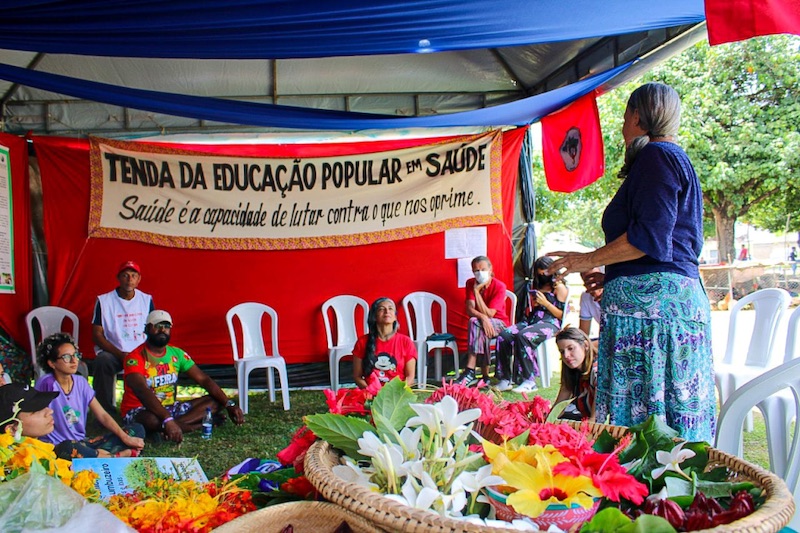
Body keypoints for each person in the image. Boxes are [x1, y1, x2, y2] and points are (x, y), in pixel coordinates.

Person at [546, 82, 716, 442]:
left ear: (637, 117)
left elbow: (648, 238)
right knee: (659, 420)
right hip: (658, 306)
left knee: (648, 424)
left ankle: (654, 493)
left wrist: (585, 259)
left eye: (625, 116)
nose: (623, 124)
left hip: (654, 316)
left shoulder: (658, 157)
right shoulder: (669, 159)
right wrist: (613, 276)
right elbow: (663, 243)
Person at [121, 310, 244, 444]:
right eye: (157, 326)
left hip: (171, 408)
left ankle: (170, 427)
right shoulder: (134, 357)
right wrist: (167, 419)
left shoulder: (177, 353)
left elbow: (203, 379)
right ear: (147, 329)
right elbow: (142, 391)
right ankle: (193, 426)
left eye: (167, 326)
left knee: (216, 401)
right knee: (151, 420)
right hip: (141, 409)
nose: (163, 329)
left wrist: (229, 404)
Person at [35, 333, 145, 459]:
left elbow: (102, 415)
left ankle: (98, 455)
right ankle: (113, 457)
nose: (74, 360)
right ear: (52, 363)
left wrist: (126, 438)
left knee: (137, 429)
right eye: (66, 357)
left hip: (84, 444)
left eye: (75, 355)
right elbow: (36, 417)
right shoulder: (47, 384)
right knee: (68, 448)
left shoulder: (80, 382)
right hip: (58, 447)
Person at [495, 256, 568, 394]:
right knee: (504, 335)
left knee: (524, 336)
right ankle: (505, 378)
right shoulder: (536, 285)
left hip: (550, 323)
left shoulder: (559, 287)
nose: (543, 277)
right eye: (540, 274)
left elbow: (561, 315)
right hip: (532, 321)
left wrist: (546, 303)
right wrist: (534, 304)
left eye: (545, 273)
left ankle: (529, 380)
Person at [91, 260, 155, 413]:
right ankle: (105, 411)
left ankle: (148, 408)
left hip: (140, 353)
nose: (129, 279)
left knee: (156, 360)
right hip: (115, 353)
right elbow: (97, 335)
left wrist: (143, 353)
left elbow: (152, 328)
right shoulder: (104, 301)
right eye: (125, 275)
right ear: (118, 278)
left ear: (139, 279)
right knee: (102, 361)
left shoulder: (146, 300)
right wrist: (120, 354)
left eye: (133, 276)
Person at [453, 256, 509, 388]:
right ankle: (485, 377)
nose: (480, 273)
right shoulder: (470, 283)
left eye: (483, 269)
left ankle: (470, 371)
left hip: (500, 323)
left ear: (490, 269)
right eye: (476, 270)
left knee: (474, 322)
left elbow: (490, 313)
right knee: (476, 323)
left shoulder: (499, 286)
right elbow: (469, 308)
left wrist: (477, 292)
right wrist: (483, 318)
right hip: (481, 324)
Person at [352, 297, 417, 389]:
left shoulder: (406, 341)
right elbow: (357, 376)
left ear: (395, 317)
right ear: (374, 316)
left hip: (397, 394)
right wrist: (371, 391)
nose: (387, 311)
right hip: (371, 394)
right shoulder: (362, 342)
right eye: (381, 309)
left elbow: (410, 377)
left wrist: (397, 392)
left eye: (390, 308)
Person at [553, 327, 597, 421]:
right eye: (562, 351)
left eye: (571, 348)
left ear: (585, 345)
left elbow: (594, 420)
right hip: (584, 419)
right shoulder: (571, 370)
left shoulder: (598, 371)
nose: (566, 355)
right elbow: (557, 411)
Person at [578, 267, 603, 342]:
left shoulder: (617, 295)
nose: (592, 286)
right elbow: (584, 334)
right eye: (588, 283)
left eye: (596, 281)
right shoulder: (586, 297)